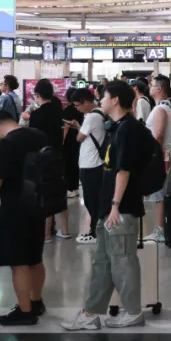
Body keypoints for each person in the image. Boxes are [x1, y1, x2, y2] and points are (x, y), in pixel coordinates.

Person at [62, 81, 150, 331]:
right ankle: (91, 312)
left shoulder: (129, 129)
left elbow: (124, 170)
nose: (100, 99)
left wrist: (115, 206)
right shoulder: (115, 127)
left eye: (104, 95)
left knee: (123, 260)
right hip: (107, 206)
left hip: (120, 208)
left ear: (115, 100)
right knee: (102, 262)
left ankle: (133, 312)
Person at [0, 111, 48, 325]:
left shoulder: (5, 145)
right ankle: (36, 301)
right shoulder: (39, 135)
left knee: (18, 262)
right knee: (35, 257)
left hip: (14, 208)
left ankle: (25, 311)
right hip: (39, 204)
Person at [26, 79, 68, 243]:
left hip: (42, 157)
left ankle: (45, 234)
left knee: (44, 193)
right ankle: (63, 230)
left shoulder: (36, 115)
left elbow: (33, 137)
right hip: (57, 155)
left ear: (37, 95)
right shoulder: (59, 111)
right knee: (58, 191)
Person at [144, 75, 171, 243]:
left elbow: (158, 135)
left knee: (159, 195)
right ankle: (162, 228)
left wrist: (150, 156)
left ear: (159, 89)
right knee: (161, 195)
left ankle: (160, 230)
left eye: (152, 85)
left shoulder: (160, 109)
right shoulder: (164, 106)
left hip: (161, 157)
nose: (149, 87)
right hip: (165, 155)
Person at [72, 89, 106, 245]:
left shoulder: (92, 116)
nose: (77, 109)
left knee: (92, 200)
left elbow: (79, 137)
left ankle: (95, 232)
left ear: (86, 101)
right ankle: (97, 229)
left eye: (78, 105)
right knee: (95, 198)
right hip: (97, 163)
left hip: (90, 164)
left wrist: (78, 127)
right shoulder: (101, 113)